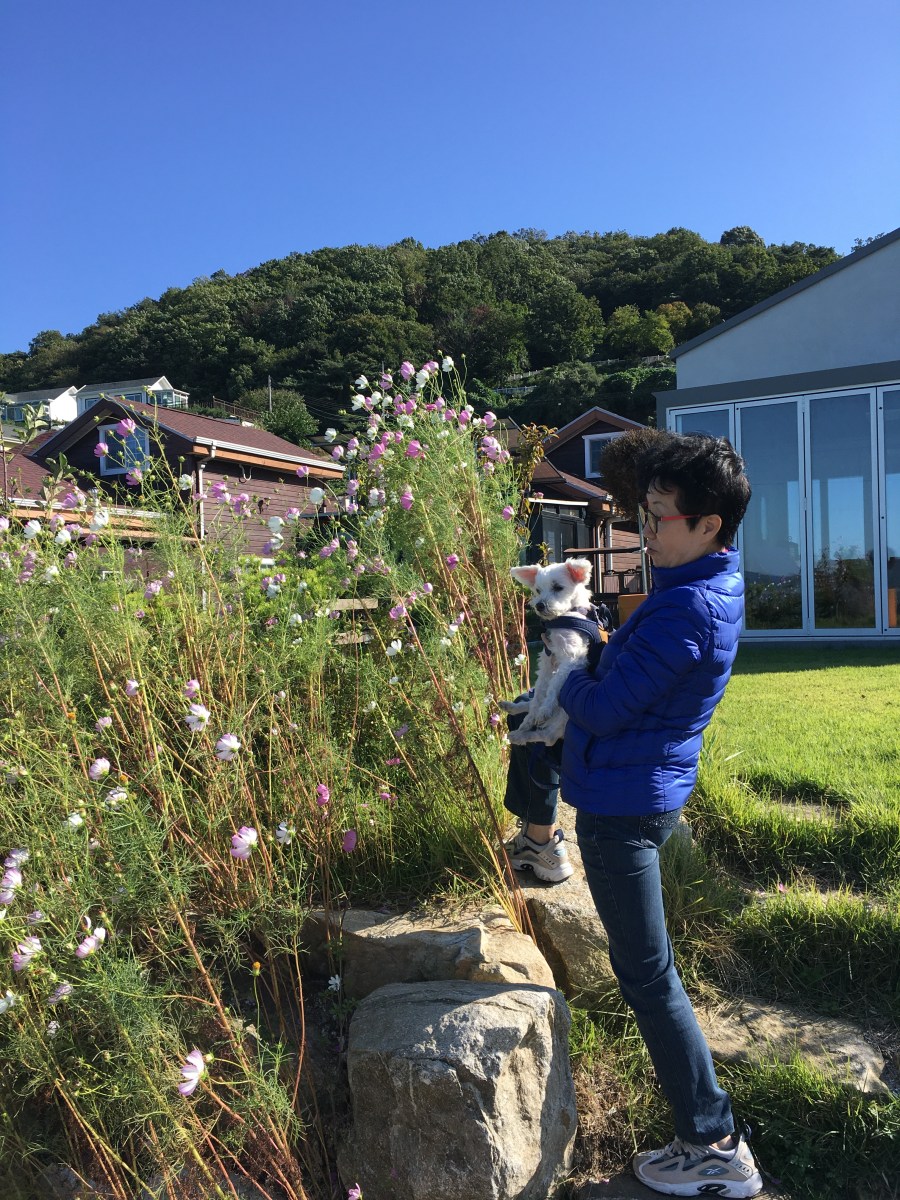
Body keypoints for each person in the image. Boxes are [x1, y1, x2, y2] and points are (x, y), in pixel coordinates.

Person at [504, 433, 762, 1197]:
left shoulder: (689, 608)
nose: (644, 532)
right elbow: (636, 681)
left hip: (624, 807)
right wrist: (596, 648)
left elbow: (606, 708)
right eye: (641, 516)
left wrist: (573, 657)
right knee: (649, 971)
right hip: (638, 790)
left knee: (648, 977)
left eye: (657, 518)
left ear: (708, 524)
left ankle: (712, 1142)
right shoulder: (699, 586)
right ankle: (707, 1133)